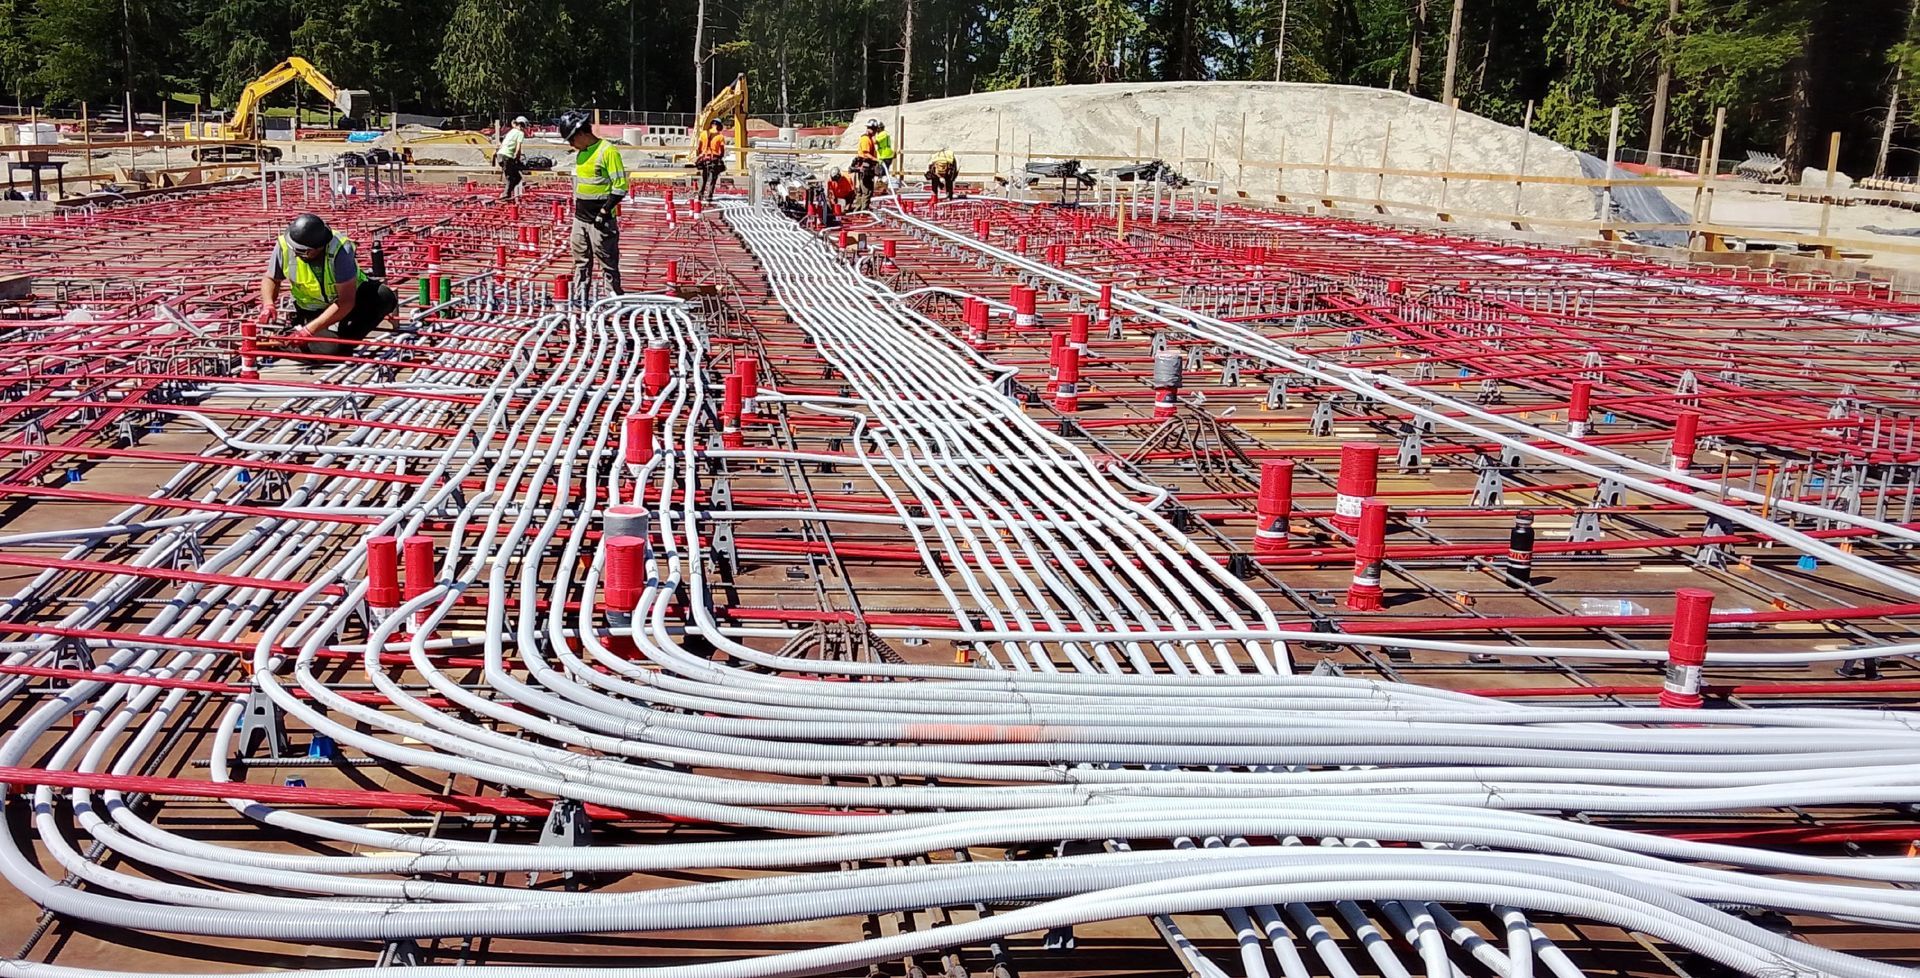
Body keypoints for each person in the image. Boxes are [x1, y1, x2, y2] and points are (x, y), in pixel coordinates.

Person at [259, 213, 397, 361]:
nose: (296, 254)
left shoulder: (340, 250)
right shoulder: (285, 245)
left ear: (318, 247)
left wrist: (308, 331)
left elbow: (345, 302)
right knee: (331, 349)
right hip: (310, 311)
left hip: (347, 304)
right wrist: (269, 305)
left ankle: (338, 342)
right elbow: (271, 278)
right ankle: (290, 342)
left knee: (384, 296)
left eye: (301, 251)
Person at [559, 109, 627, 296]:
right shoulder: (581, 154)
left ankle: (613, 303)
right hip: (580, 219)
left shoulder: (608, 152)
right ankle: (581, 301)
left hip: (600, 220)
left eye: (572, 139)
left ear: (581, 133)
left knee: (607, 263)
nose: (571, 145)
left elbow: (620, 187)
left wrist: (604, 213)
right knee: (580, 261)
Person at [495, 116, 530, 201]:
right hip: (506, 156)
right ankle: (505, 195)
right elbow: (518, 149)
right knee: (510, 177)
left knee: (517, 177)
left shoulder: (511, 131)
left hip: (500, 155)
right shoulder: (520, 133)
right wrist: (517, 159)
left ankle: (507, 194)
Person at [851, 119, 883, 204]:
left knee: (862, 192)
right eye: (875, 129)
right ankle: (862, 212)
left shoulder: (869, 138)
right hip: (865, 168)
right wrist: (877, 160)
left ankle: (858, 211)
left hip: (866, 167)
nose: (876, 132)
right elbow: (866, 154)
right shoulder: (865, 139)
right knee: (867, 192)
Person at [695, 118, 727, 202]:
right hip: (714, 159)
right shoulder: (720, 137)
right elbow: (722, 150)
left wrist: (700, 156)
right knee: (713, 178)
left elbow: (699, 147)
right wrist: (720, 158)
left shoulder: (703, 134)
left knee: (704, 177)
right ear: (719, 126)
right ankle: (709, 196)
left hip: (704, 158)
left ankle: (700, 194)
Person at [872, 118, 896, 184]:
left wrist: (872, 135)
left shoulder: (882, 134)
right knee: (882, 173)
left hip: (885, 156)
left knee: (883, 174)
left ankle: (883, 186)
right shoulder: (885, 133)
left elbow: (875, 141)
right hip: (886, 155)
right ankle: (882, 185)